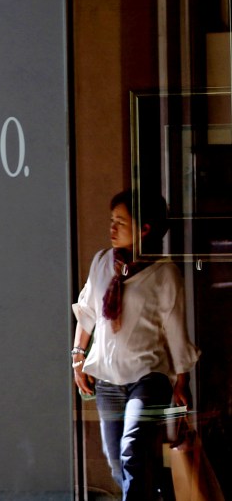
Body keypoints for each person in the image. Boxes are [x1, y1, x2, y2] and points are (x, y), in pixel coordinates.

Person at [72, 190, 200, 499]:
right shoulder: (102, 262)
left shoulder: (164, 273)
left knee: (132, 451)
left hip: (149, 377)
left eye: (121, 222)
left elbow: (175, 330)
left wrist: (182, 380)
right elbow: (87, 312)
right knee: (118, 462)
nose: (112, 229)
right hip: (107, 381)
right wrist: (78, 357)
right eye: (111, 221)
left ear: (145, 229)